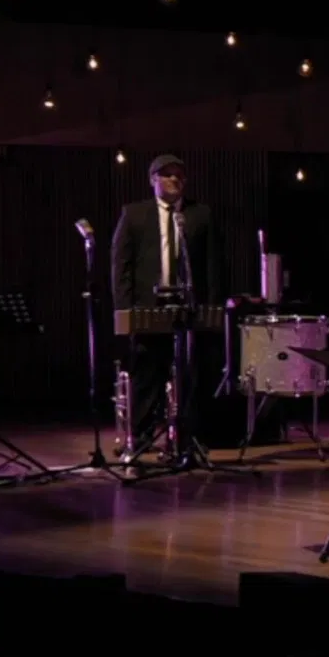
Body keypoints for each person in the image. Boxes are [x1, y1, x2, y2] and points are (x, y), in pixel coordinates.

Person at [111, 154, 221, 467]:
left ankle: (186, 439)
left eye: (179, 175)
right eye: (167, 175)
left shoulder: (200, 214)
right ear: (153, 180)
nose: (174, 180)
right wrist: (126, 310)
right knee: (147, 373)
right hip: (148, 308)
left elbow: (213, 264)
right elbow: (121, 266)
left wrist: (211, 309)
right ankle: (141, 438)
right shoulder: (134, 214)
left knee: (190, 375)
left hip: (189, 308)